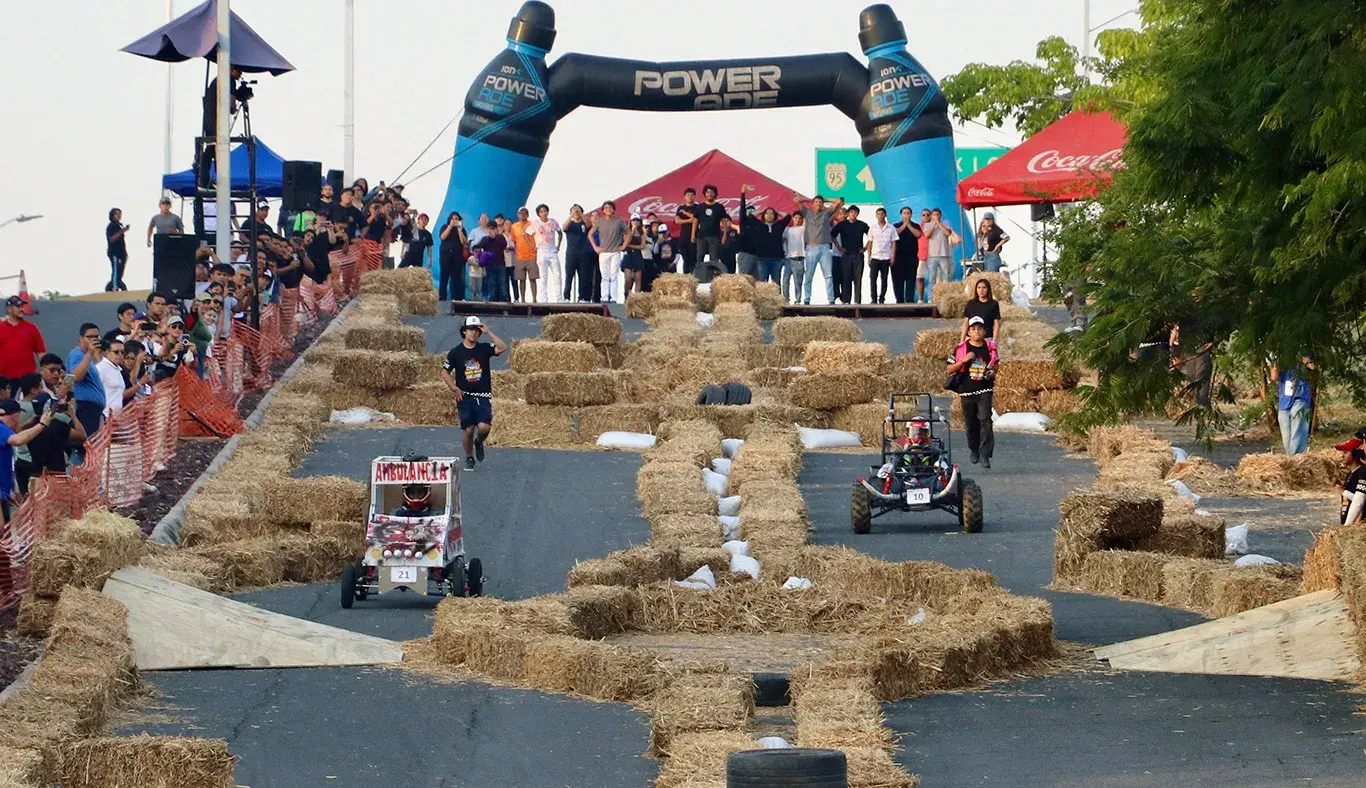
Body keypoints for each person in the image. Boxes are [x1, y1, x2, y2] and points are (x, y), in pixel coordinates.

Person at [441, 317, 507, 472]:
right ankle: (469, 457)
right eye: (470, 330)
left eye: (476, 330)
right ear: (464, 331)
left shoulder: (484, 348)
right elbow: (445, 372)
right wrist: (454, 389)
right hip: (465, 396)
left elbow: (502, 347)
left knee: (484, 427)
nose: (473, 333)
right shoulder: (456, 352)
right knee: (469, 429)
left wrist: (488, 332)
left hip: (482, 395)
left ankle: (479, 442)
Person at [947, 315, 997, 469]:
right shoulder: (960, 349)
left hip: (985, 389)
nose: (977, 332)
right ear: (968, 332)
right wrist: (963, 361)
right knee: (971, 423)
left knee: (985, 419)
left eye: (979, 329)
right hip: (967, 391)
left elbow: (995, 366)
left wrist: (993, 372)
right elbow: (949, 369)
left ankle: (984, 453)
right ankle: (974, 449)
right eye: (973, 329)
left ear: (984, 331)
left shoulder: (990, 348)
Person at [0, 398, 56, 521]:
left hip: (5, 489)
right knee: (2, 529)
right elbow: (18, 440)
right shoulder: (2, 428)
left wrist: (7, 490)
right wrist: (42, 425)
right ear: (15, 416)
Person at [793, 193, 845, 305]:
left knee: (828, 275)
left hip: (825, 248)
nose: (818, 204)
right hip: (811, 248)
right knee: (809, 275)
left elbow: (837, 201)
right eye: (816, 202)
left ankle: (831, 299)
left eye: (820, 202)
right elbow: (796, 200)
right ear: (812, 204)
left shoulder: (826, 213)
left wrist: (824, 199)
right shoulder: (807, 213)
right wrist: (811, 199)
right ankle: (807, 299)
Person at [68, 323, 107, 437]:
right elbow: (76, 376)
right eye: (90, 337)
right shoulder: (76, 354)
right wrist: (90, 353)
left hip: (94, 409)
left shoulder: (87, 357)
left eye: (96, 337)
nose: (94, 340)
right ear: (81, 338)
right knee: (86, 442)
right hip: (85, 407)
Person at [1273, 357, 1314, 455]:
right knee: (1287, 438)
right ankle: (1291, 458)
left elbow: (1313, 367)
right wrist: (1276, 363)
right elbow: (1274, 377)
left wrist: (1302, 359)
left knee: (1297, 429)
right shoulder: (1280, 357)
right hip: (1285, 400)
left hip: (1300, 398)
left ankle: (1296, 459)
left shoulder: (1303, 353)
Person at [590, 200, 628, 304]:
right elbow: (590, 234)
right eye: (606, 208)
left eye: (610, 208)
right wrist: (595, 247)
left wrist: (623, 246)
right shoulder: (599, 222)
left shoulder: (619, 221)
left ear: (613, 209)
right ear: (603, 210)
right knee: (605, 276)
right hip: (603, 252)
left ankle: (613, 298)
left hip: (615, 251)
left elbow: (628, 233)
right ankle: (605, 297)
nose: (608, 209)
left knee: (614, 275)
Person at [0, 295, 45, 381]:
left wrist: (45, 372)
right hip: (4, 381)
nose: (21, 309)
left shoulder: (32, 328)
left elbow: (41, 353)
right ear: (9, 309)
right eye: (18, 306)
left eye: (22, 306)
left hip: (27, 380)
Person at [832, 206, 870, 305]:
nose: (853, 214)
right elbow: (832, 235)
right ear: (848, 214)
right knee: (846, 278)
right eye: (851, 212)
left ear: (857, 214)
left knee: (858, 279)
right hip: (846, 255)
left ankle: (857, 301)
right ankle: (846, 301)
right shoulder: (842, 224)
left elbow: (871, 235)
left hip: (858, 254)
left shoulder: (862, 225)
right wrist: (839, 247)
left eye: (855, 212)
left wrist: (866, 247)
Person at [529, 204, 563, 302]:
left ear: (548, 212)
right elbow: (527, 234)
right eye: (541, 211)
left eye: (545, 211)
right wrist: (533, 246)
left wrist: (558, 245)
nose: (543, 213)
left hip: (552, 251)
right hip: (541, 251)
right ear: (538, 214)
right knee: (543, 276)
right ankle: (544, 299)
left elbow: (560, 233)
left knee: (557, 275)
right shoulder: (536, 223)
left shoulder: (553, 221)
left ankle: (559, 298)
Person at [892, 207, 923, 304]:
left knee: (911, 279)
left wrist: (908, 225)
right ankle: (899, 300)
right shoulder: (896, 225)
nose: (906, 215)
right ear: (901, 214)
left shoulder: (915, 225)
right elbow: (896, 233)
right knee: (898, 280)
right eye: (904, 213)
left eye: (908, 213)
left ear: (911, 214)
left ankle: (909, 300)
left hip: (912, 257)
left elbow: (918, 234)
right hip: (898, 257)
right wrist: (904, 225)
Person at [472, 217, 508, 302]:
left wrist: (495, 237)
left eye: (493, 229)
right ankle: (493, 301)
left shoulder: (500, 237)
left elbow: (504, 245)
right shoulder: (485, 239)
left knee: (502, 283)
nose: (491, 231)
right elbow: (479, 246)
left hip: (500, 264)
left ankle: (504, 300)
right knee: (492, 284)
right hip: (489, 265)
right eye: (489, 229)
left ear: (496, 229)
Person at [924, 208, 959, 293]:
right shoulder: (927, 225)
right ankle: (931, 296)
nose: (936, 216)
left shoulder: (946, 223)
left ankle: (946, 294)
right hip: (932, 255)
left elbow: (947, 233)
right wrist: (934, 224)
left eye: (937, 214)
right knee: (932, 278)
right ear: (931, 216)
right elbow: (927, 235)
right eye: (934, 215)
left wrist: (939, 223)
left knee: (946, 277)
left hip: (944, 254)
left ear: (940, 215)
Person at [563, 205, 593, 302]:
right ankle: (566, 297)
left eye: (578, 211)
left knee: (583, 277)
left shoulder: (584, 223)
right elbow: (564, 227)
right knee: (569, 276)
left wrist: (581, 213)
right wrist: (571, 215)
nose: (576, 212)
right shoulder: (570, 224)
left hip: (583, 254)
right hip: (571, 254)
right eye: (574, 211)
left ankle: (581, 297)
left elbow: (589, 225)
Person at [867, 207, 898, 304]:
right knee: (873, 278)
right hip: (875, 256)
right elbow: (870, 242)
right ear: (876, 216)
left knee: (884, 279)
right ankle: (873, 298)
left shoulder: (891, 228)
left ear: (885, 215)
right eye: (878, 214)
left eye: (882, 214)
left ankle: (882, 298)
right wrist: (869, 256)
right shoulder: (872, 228)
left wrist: (892, 256)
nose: (880, 216)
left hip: (886, 257)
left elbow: (894, 242)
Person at [692, 185, 727, 266]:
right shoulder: (700, 207)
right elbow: (695, 221)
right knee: (699, 258)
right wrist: (693, 235)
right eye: (707, 192)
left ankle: (713, 273)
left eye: (712, 192)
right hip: (701, 236)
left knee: (714, 259)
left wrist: (724, 235)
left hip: (715, 236)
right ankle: (698, 273)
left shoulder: (719, 207)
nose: (709, 194)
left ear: (715, 194)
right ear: (704, 194)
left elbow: (724, 221)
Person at [511, 207, 539, 303]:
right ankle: (523, 299)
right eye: (521, 213)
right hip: (519, 257)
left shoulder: (532, 225)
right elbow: (513, 240)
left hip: (532, 256)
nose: (523, 215)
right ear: (518, 215)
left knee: (533, 279)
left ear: (528, 215)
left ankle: (534, 299)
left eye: (525, 213)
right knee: (521, 280)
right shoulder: (514, 226)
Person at [438, 212, 468, 302]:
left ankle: (456, 298)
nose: (454, 220)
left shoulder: (462, 229)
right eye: (452, 218)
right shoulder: (444, 227)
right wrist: (450, 227)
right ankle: (442, 297)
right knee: (444, 276)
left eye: (456, 219)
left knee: (456, 277)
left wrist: (460, 230)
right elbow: (442, 237)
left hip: (457, 255)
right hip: (445, 255)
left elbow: (464, 242)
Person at [1337, 436, 1366, 525]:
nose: (1341, 456)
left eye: (1345, 453)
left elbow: (1361, 500)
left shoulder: (1362, 472)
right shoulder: (1351, 473)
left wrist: (1343, 492)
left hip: (1355, 523)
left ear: (1355, 454)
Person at [95, 339, 128, 417]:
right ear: (108, 352)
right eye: (116, 352)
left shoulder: (118, 370)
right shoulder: (101, 368)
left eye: (122, 352)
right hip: (104, 415)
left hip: (117, 417)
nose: (120, 354)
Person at [675, 187, 700, 274]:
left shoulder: (698, 207)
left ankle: (694, 276)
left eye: (692, 195)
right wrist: (689, 220)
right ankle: (686, 276)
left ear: (695, 196)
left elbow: (697, 219)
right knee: (685, 259)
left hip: (695, 236)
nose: (690, 197)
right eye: (688, 195)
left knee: (693, 259)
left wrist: (685, 213)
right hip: (683, 236)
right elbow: (677, 220)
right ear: (684, 197)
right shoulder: (681, 207)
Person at [621, 215, 648, 295]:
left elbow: (642, 246)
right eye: (634, 220)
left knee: (638, 278)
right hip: (628, 255)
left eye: (637, 220)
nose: (635, 222)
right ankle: (626, 294)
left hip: (637, 255)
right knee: (628, 278)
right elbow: (626, 242)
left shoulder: (641, 233)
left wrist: (630, 246)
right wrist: (631, 233)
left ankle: (637, 297)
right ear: (631, 221)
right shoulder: (626, 231)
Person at [782, 214, 806, 303]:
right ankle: (786, 299)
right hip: (788, 258)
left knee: (798, 282)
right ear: (793, 218)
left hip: (799, 258)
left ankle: (798, 300)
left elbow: (807, 219)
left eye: (800, 218)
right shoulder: (787, 229)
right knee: (785, 280)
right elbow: (783, 241)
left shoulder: (803, 229)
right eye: (796, 218)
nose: (798, 220)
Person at [105, 208, 130, 292]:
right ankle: (114, 288)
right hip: (115, 252)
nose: (119, 216)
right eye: (117, 214)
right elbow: (111, 239)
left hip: (121, 252)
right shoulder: (112, 226)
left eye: (120, 214)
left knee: (119, 271)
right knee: (116, 270)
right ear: (113, 215)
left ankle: (117, 284)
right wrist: (122, 231)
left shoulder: (118, 225)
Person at [916, 208, 933, 302]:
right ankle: (920, 299)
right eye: (923, 215)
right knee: (920, 277)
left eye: (928, 215)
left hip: (933, 256)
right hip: (921, 256)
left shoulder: (934, 226)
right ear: (921, 217)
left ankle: (932, 298)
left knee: (933, 278)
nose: (926, 217)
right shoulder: (917, 227)